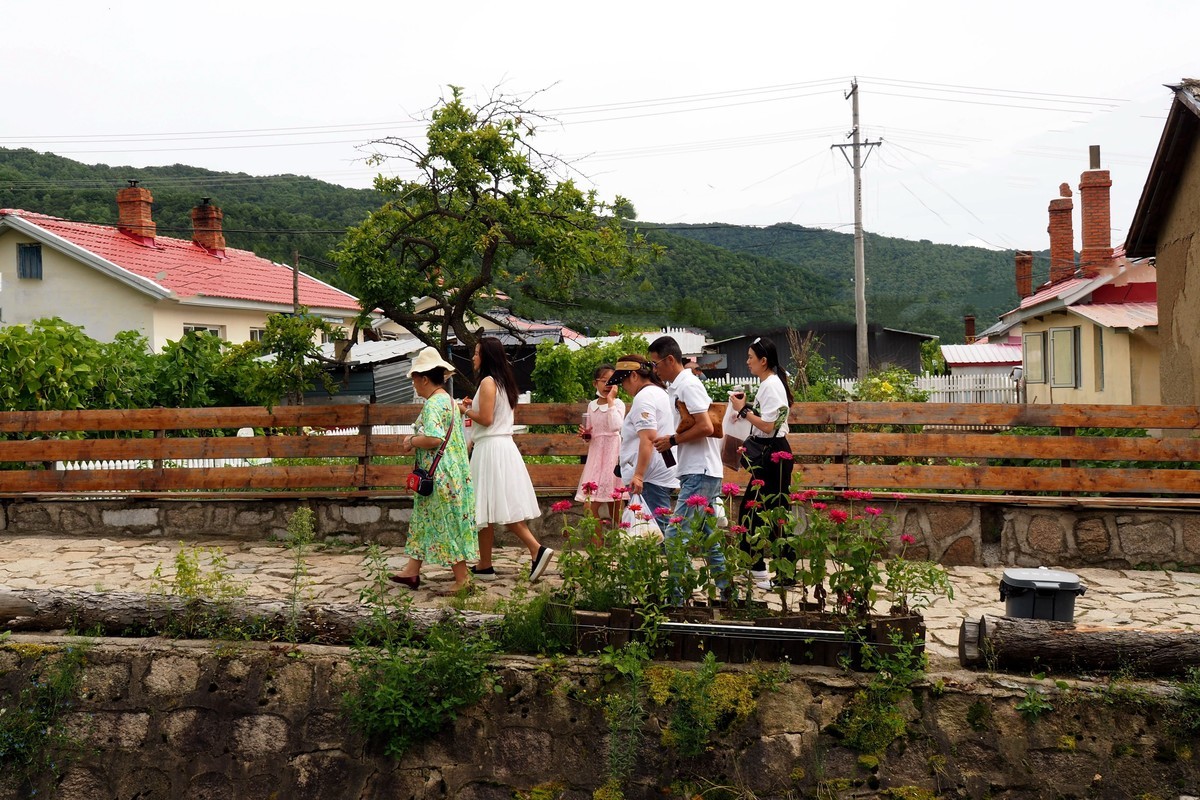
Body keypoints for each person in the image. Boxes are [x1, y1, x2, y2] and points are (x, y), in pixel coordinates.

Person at [461, 337, 554, 583]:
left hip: (491, 448)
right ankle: (485, 564)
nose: (474, 357)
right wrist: (474, 407)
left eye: (477, 352)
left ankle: (536, 549)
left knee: (495, 506)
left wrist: (464, 410)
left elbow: (487, 418)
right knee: (487, 508)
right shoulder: (502, 383)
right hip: (500, 447)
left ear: (487, 356)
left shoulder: (489, 382)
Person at [389, 347, 477, 593]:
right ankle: (412, 571)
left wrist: (411, 441)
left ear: (424, 378)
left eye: (415, 379)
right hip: (453, 473)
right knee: (424, 520)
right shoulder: (448, 401)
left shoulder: (432, 405)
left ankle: (463, 580)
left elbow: (433, 438)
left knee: (445, 524)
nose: (414, 384)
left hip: (439, 476)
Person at [647, 335, 727, 599]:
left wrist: (672, 440)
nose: (655, 370)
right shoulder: (678, 386)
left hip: (700, 472)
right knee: (709, 540)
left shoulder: (688, 385)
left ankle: (677, 597)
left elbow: (706, 426)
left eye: (656, 364)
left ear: (670, 360)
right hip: (700, 470)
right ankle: (729, 594)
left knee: (674, 535)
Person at [728, 336, 795, 589]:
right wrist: (745, 411)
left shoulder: (771, 385)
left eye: (750, 358)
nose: (747, 362)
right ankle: (756, 566)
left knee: (774, 513)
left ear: (763, 361)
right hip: (770, 453)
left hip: (774, 454)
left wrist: (744, 410)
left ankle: (783, 573)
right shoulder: (770, 383)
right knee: (753, 510)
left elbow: (769, 426)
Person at [607, 354, 678, 530]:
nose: (623, 387)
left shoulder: (643, 397)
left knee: (655, 530)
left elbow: (648, 437)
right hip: (661, 470)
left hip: (649, 476)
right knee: (655, 527)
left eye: (623, 381)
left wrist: (638, 475)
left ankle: (671, 558)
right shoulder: (660, 392)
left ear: (633, 375)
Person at [575, 363, 626, 523]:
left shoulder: (618, 404)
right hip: (596, 458)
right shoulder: (591, 405)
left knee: (615, 505)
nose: (608, 385)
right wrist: (586, 436)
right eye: (604, 381)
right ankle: (597, 546)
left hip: (613, 455)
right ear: (595, 383)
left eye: (612, 381)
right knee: (589, 506)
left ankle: (621, 543)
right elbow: (592, 433)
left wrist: (611, 400)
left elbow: (616, 426)